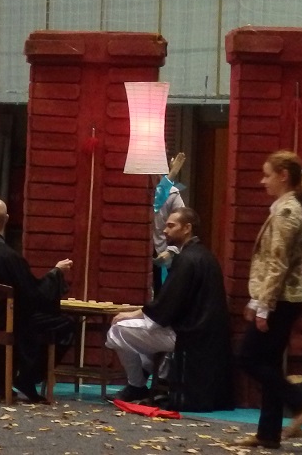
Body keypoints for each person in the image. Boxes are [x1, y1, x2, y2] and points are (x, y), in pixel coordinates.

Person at [233, 151, 302, 449]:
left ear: (283, 176)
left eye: (267, 174)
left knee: (248, 357)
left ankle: (300, 402)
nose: (263, 181)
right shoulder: (285, 208)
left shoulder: (287, 213)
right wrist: (257, 300)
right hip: (281, 298)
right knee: (269, 362)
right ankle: (268, 434)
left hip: (282, 299)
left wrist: (263, 305)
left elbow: (277, 264)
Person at [105, 207, 233, 411]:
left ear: (187, 228)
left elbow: (167, 303)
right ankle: (148, 372)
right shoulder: (205, 256)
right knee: (136, 334)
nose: (165, 230)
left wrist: (131, 314)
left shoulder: (187, 259)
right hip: (204, 333)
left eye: (171, 226)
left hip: (187, 335)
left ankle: (137, 386)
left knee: (117, 330)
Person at [0, 198, 74, 403]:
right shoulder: (10, 257)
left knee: (14, 316)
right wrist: (55, 273)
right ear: (6, 220)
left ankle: (1, 383)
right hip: (3, 322)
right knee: (63, 324)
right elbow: (34, 296)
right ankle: (27, 378)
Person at [151, 152, 186, 298]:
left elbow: (184, 223)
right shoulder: (143, 192)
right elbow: (157, 199)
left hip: (166, 252)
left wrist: (172, 250)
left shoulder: (172, 194)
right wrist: (171, 175)